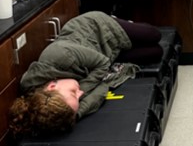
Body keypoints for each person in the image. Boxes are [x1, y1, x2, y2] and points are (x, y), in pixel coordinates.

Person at [9, 11, 163, 138]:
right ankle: (120, 49)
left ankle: (117, 19)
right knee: (156, 52)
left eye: (73, 92)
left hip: (97, 29)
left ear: (51, 86)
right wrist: (77, 112)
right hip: (102, 56)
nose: (81, 92)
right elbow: (102, 89)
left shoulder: (60, 55)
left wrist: (84, 87)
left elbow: (102, 63)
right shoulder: (45, 104)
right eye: (78, 96)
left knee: (154, 35)